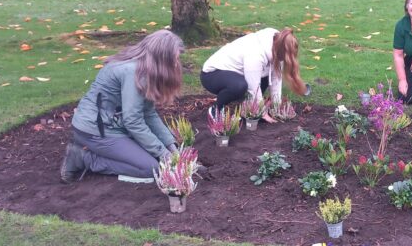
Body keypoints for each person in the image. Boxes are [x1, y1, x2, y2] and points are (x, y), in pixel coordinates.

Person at [60, 30, 184, 183]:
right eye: (174, 58)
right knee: (152, 169)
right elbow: (133, 121)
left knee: (155, 155)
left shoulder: (142, 68)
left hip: (110, 125)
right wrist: (163, 153)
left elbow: (148, 113)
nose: (176, 63)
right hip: (95, 130)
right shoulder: (133, 73)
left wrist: (170, 146)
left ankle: (98, 151)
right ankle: (83, 158)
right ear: (162, 57)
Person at [200, 28, 308, 121]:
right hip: (212, 74)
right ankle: (216, 110)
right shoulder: (255, 54)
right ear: (279, 51)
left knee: (264, 76)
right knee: (239, 86)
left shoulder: (278, 43)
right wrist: (262, 113)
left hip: (234, 74)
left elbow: (276, 79)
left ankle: (248, 107)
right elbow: (253, 86)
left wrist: (276, 107)